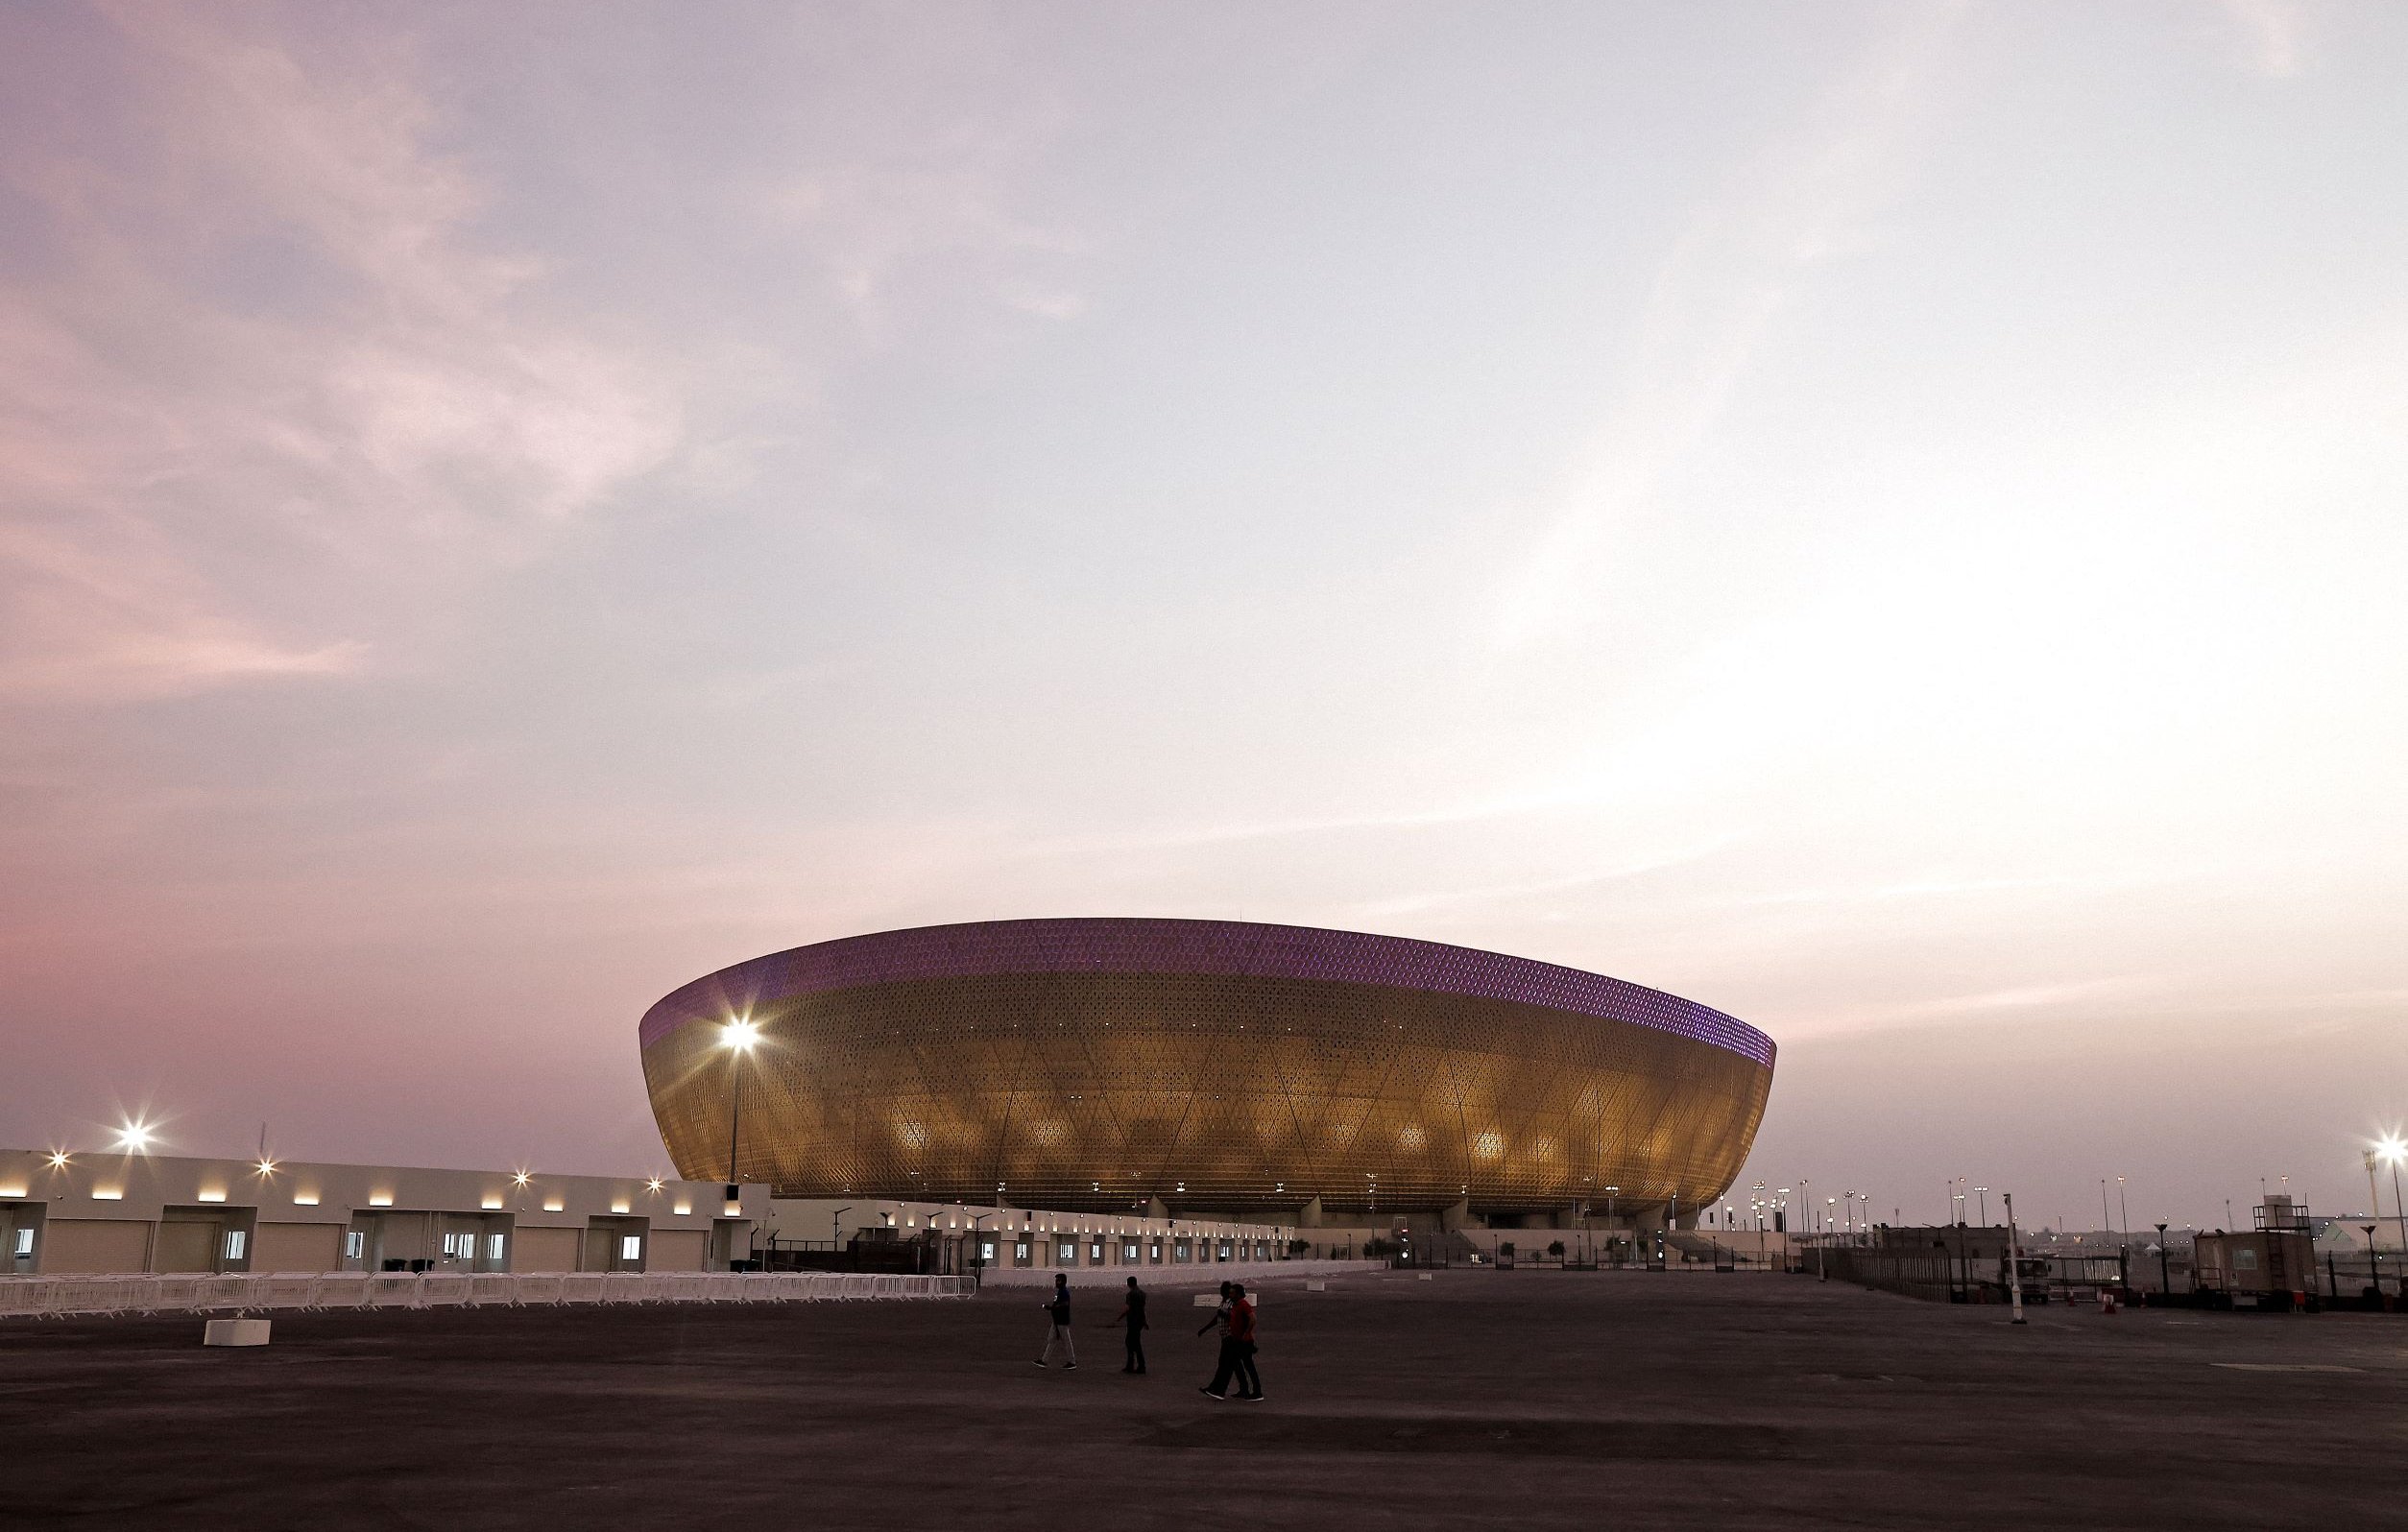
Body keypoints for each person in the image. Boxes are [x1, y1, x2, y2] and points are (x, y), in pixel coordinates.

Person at [1198, 1280, 1237, 1400]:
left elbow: (1234, 1318)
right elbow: (1217, 1318)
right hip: (1225, 1337)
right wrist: (1205, 1328)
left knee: (1227, 1365)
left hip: (1231, 1337)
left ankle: (1220, 1390)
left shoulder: (1231, 1303)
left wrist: (1224, 1314)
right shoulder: (1224, 1302)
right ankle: (1214, 1387)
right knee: (1223, 1363)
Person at [1034, 1272, 1075, 1370]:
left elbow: (1064, 1304)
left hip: (1061, 1320)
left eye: (1058, 1280)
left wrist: (1053, 1308)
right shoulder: (1061, 1292)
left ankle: (1072, 1362)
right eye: (1056, 1280)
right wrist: (1052, 1308)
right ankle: (1044, 1361)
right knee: (1052, 1339)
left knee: (1065, 1341)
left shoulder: (1064, 1292)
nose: (1056, 1282)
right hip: (1057, 1320)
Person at [1229, 1282, 1262, 1401]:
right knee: (1237, 1365)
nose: (1230, 1295)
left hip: (1244, 1341)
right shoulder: (1235, 1305)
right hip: (1237, 1340)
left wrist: (1246, 1333)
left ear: (1238, 1294)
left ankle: (1257, 1392)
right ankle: (1244, 1389)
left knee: (1249, 1366)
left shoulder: (1243, 1304)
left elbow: (1253, 1318)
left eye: (1232, 1293)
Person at [1114, 1275, 1148, 1374]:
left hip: (1132, 1321)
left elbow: (1128, 1309)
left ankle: (1132, 1365)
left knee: (1130, 1343)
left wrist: (1119, 1318)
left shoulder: (1130, 1295)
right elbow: (1142, 1309)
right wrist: (1145, 1322)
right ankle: (1138, 1365)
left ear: (1129, 1284)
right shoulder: (1142, 1294)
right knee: (1135, 1343)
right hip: (1139, 1321)